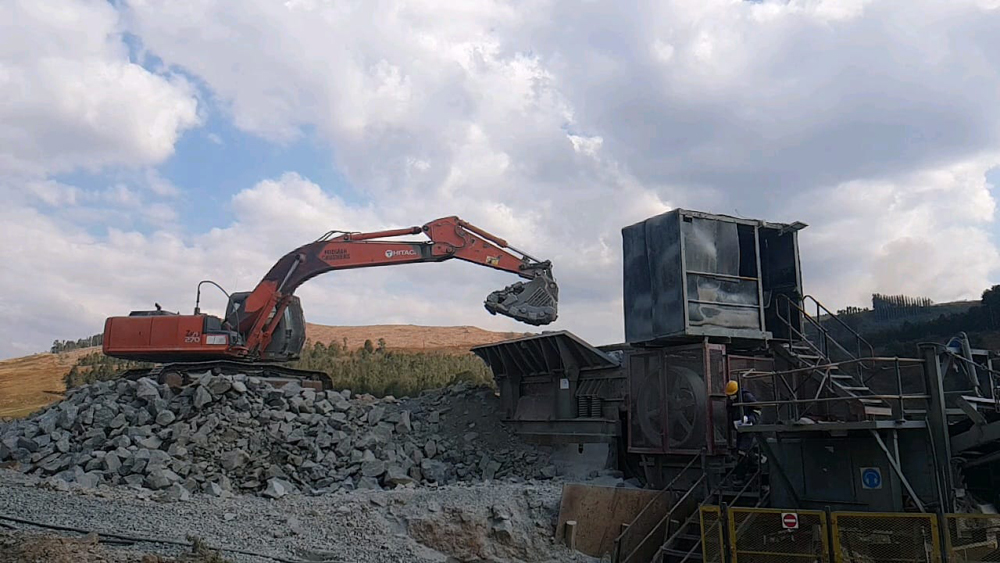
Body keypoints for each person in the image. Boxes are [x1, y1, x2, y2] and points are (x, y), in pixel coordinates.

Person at [726, 380, 761, 480]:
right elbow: (730, 413)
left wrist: (749, 419)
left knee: (742, 451)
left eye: (732, 395)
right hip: (740, 429)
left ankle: (740, 478)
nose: (730, 397)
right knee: (742, 450)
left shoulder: (746, 396)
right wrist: (733, 424)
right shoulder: (731, 400)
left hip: (748, 428)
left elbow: (758, 409)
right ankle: (754, 466)